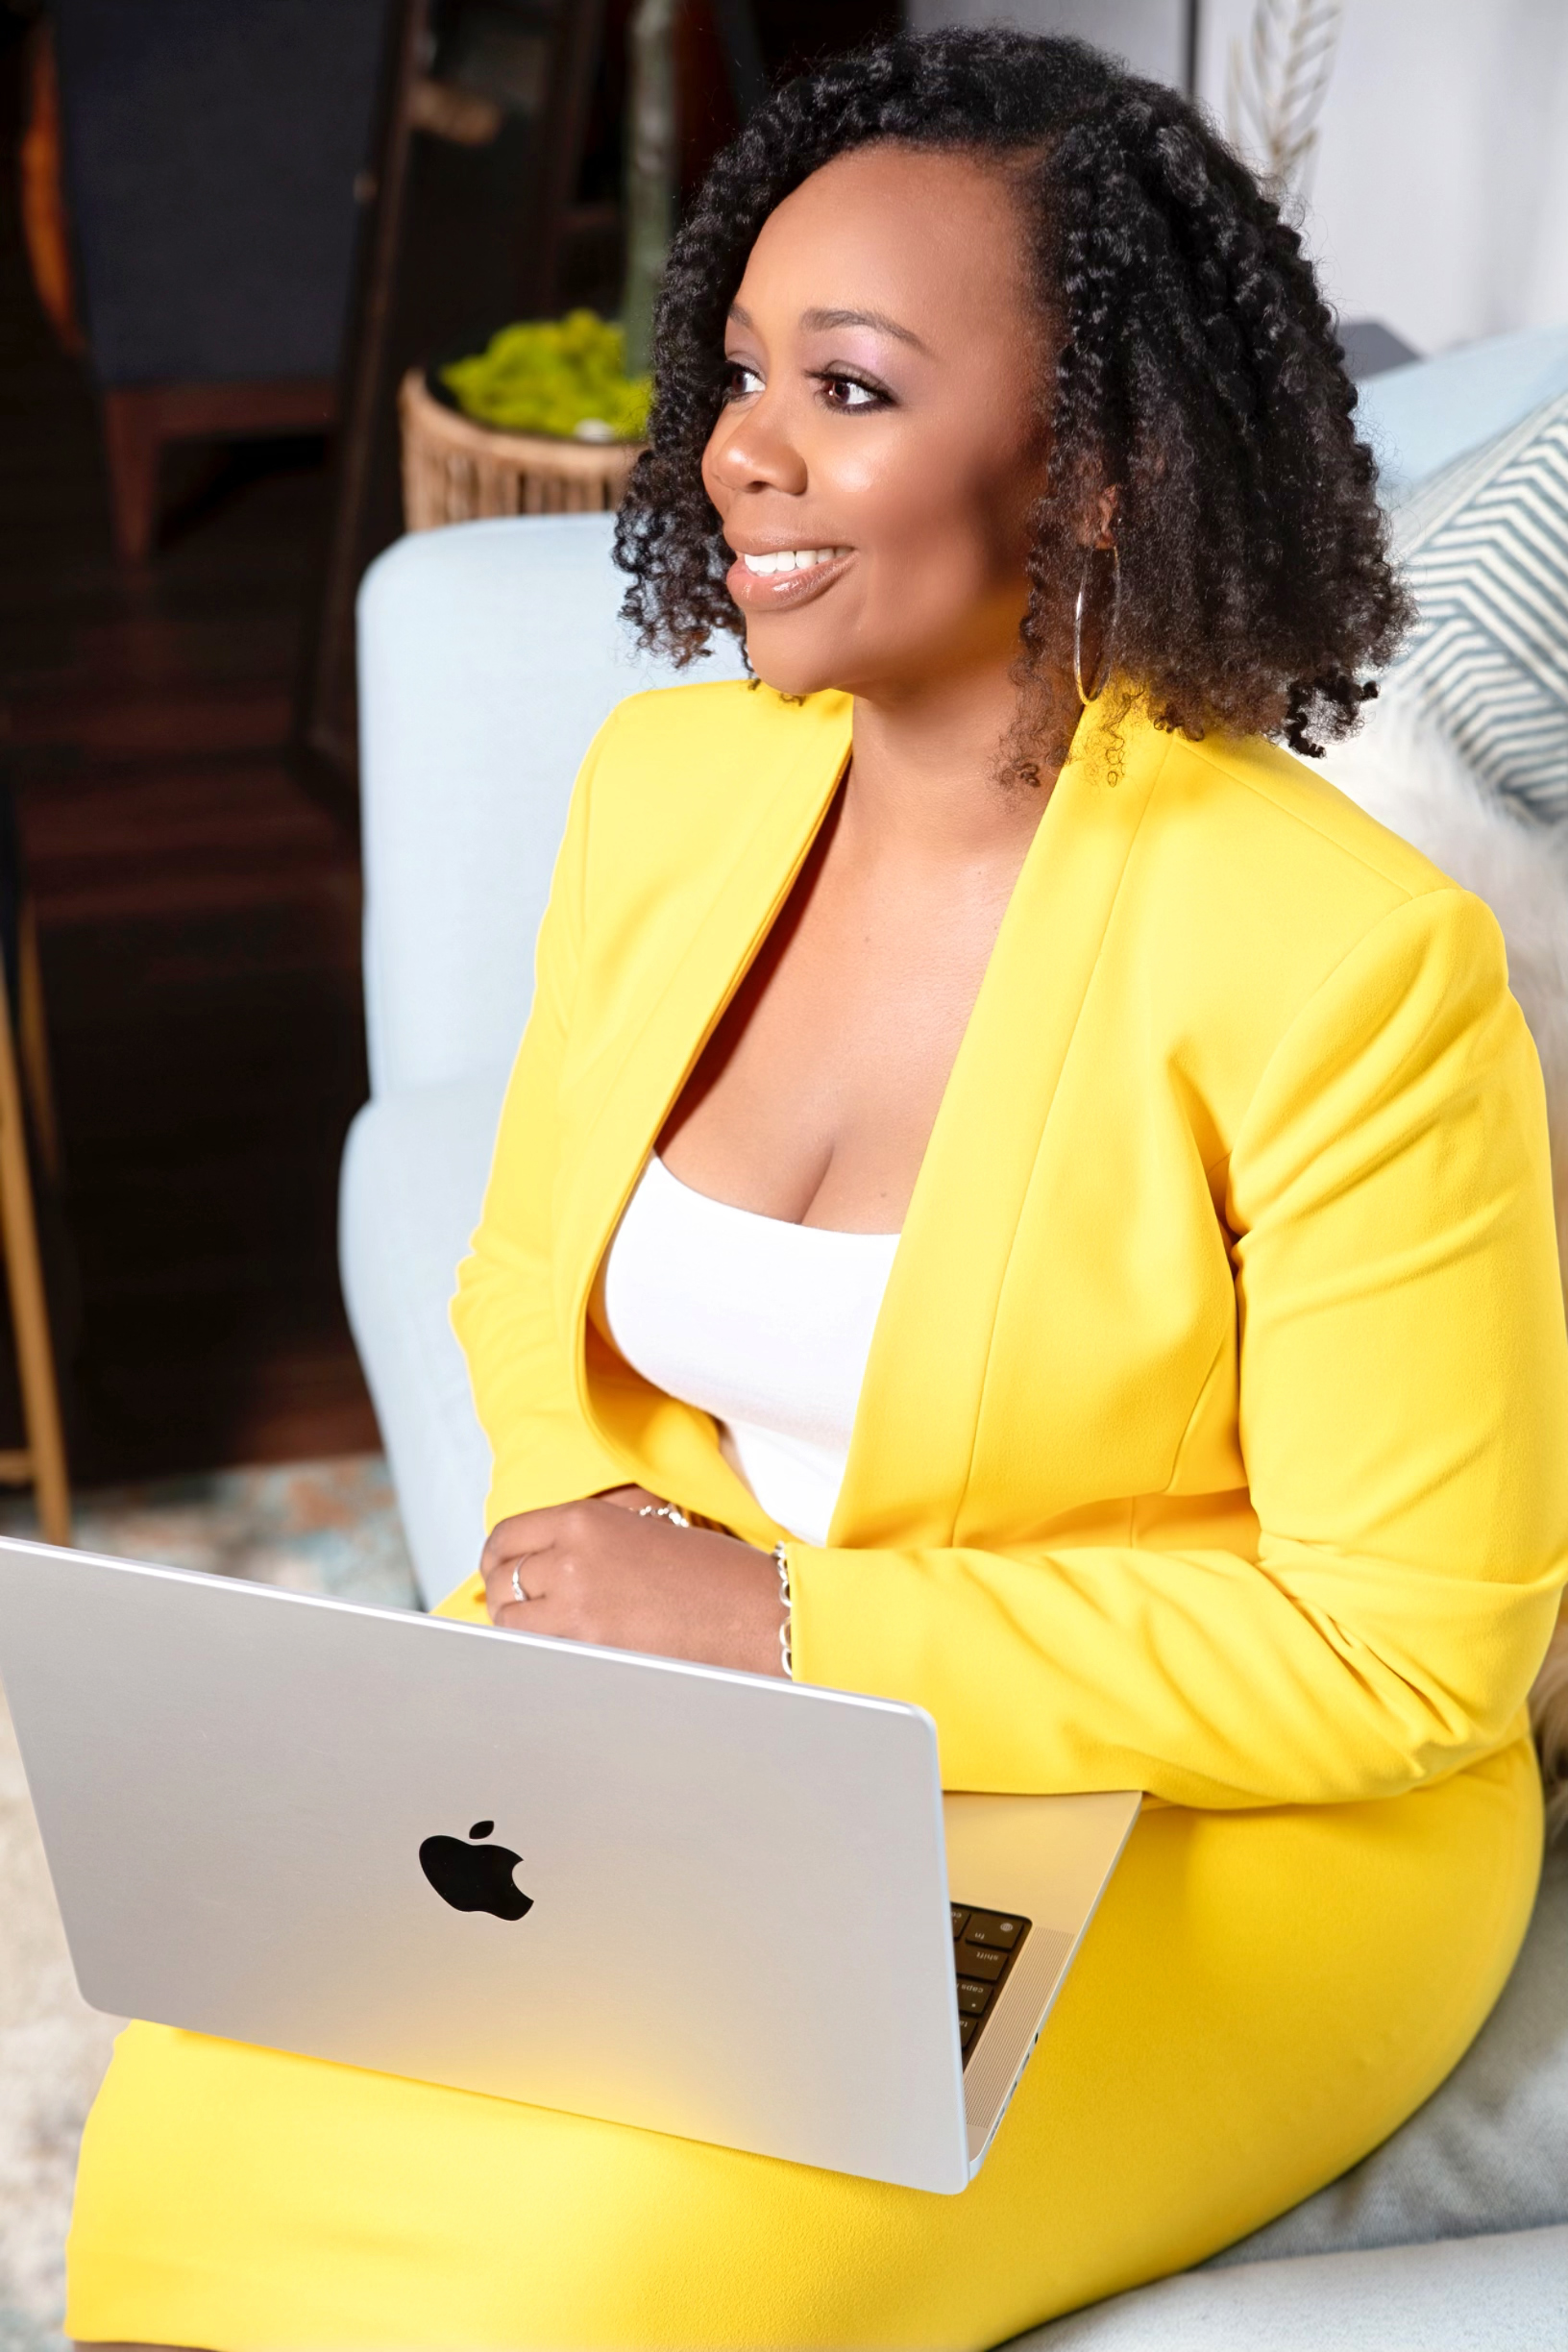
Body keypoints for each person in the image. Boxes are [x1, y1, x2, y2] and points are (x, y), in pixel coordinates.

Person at [67, 29, 1568, 2351]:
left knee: (597, 2279)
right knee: (195, 2126)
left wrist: (787, 1635)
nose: (740, 445)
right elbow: (523, 1289)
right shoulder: (668, 791)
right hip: (719, 1762)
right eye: (743, 365)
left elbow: (1408, 1655)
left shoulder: (1344, 966)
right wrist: (621, 1667)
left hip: (1224, 1834)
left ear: (1094, 466)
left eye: (848, 388)